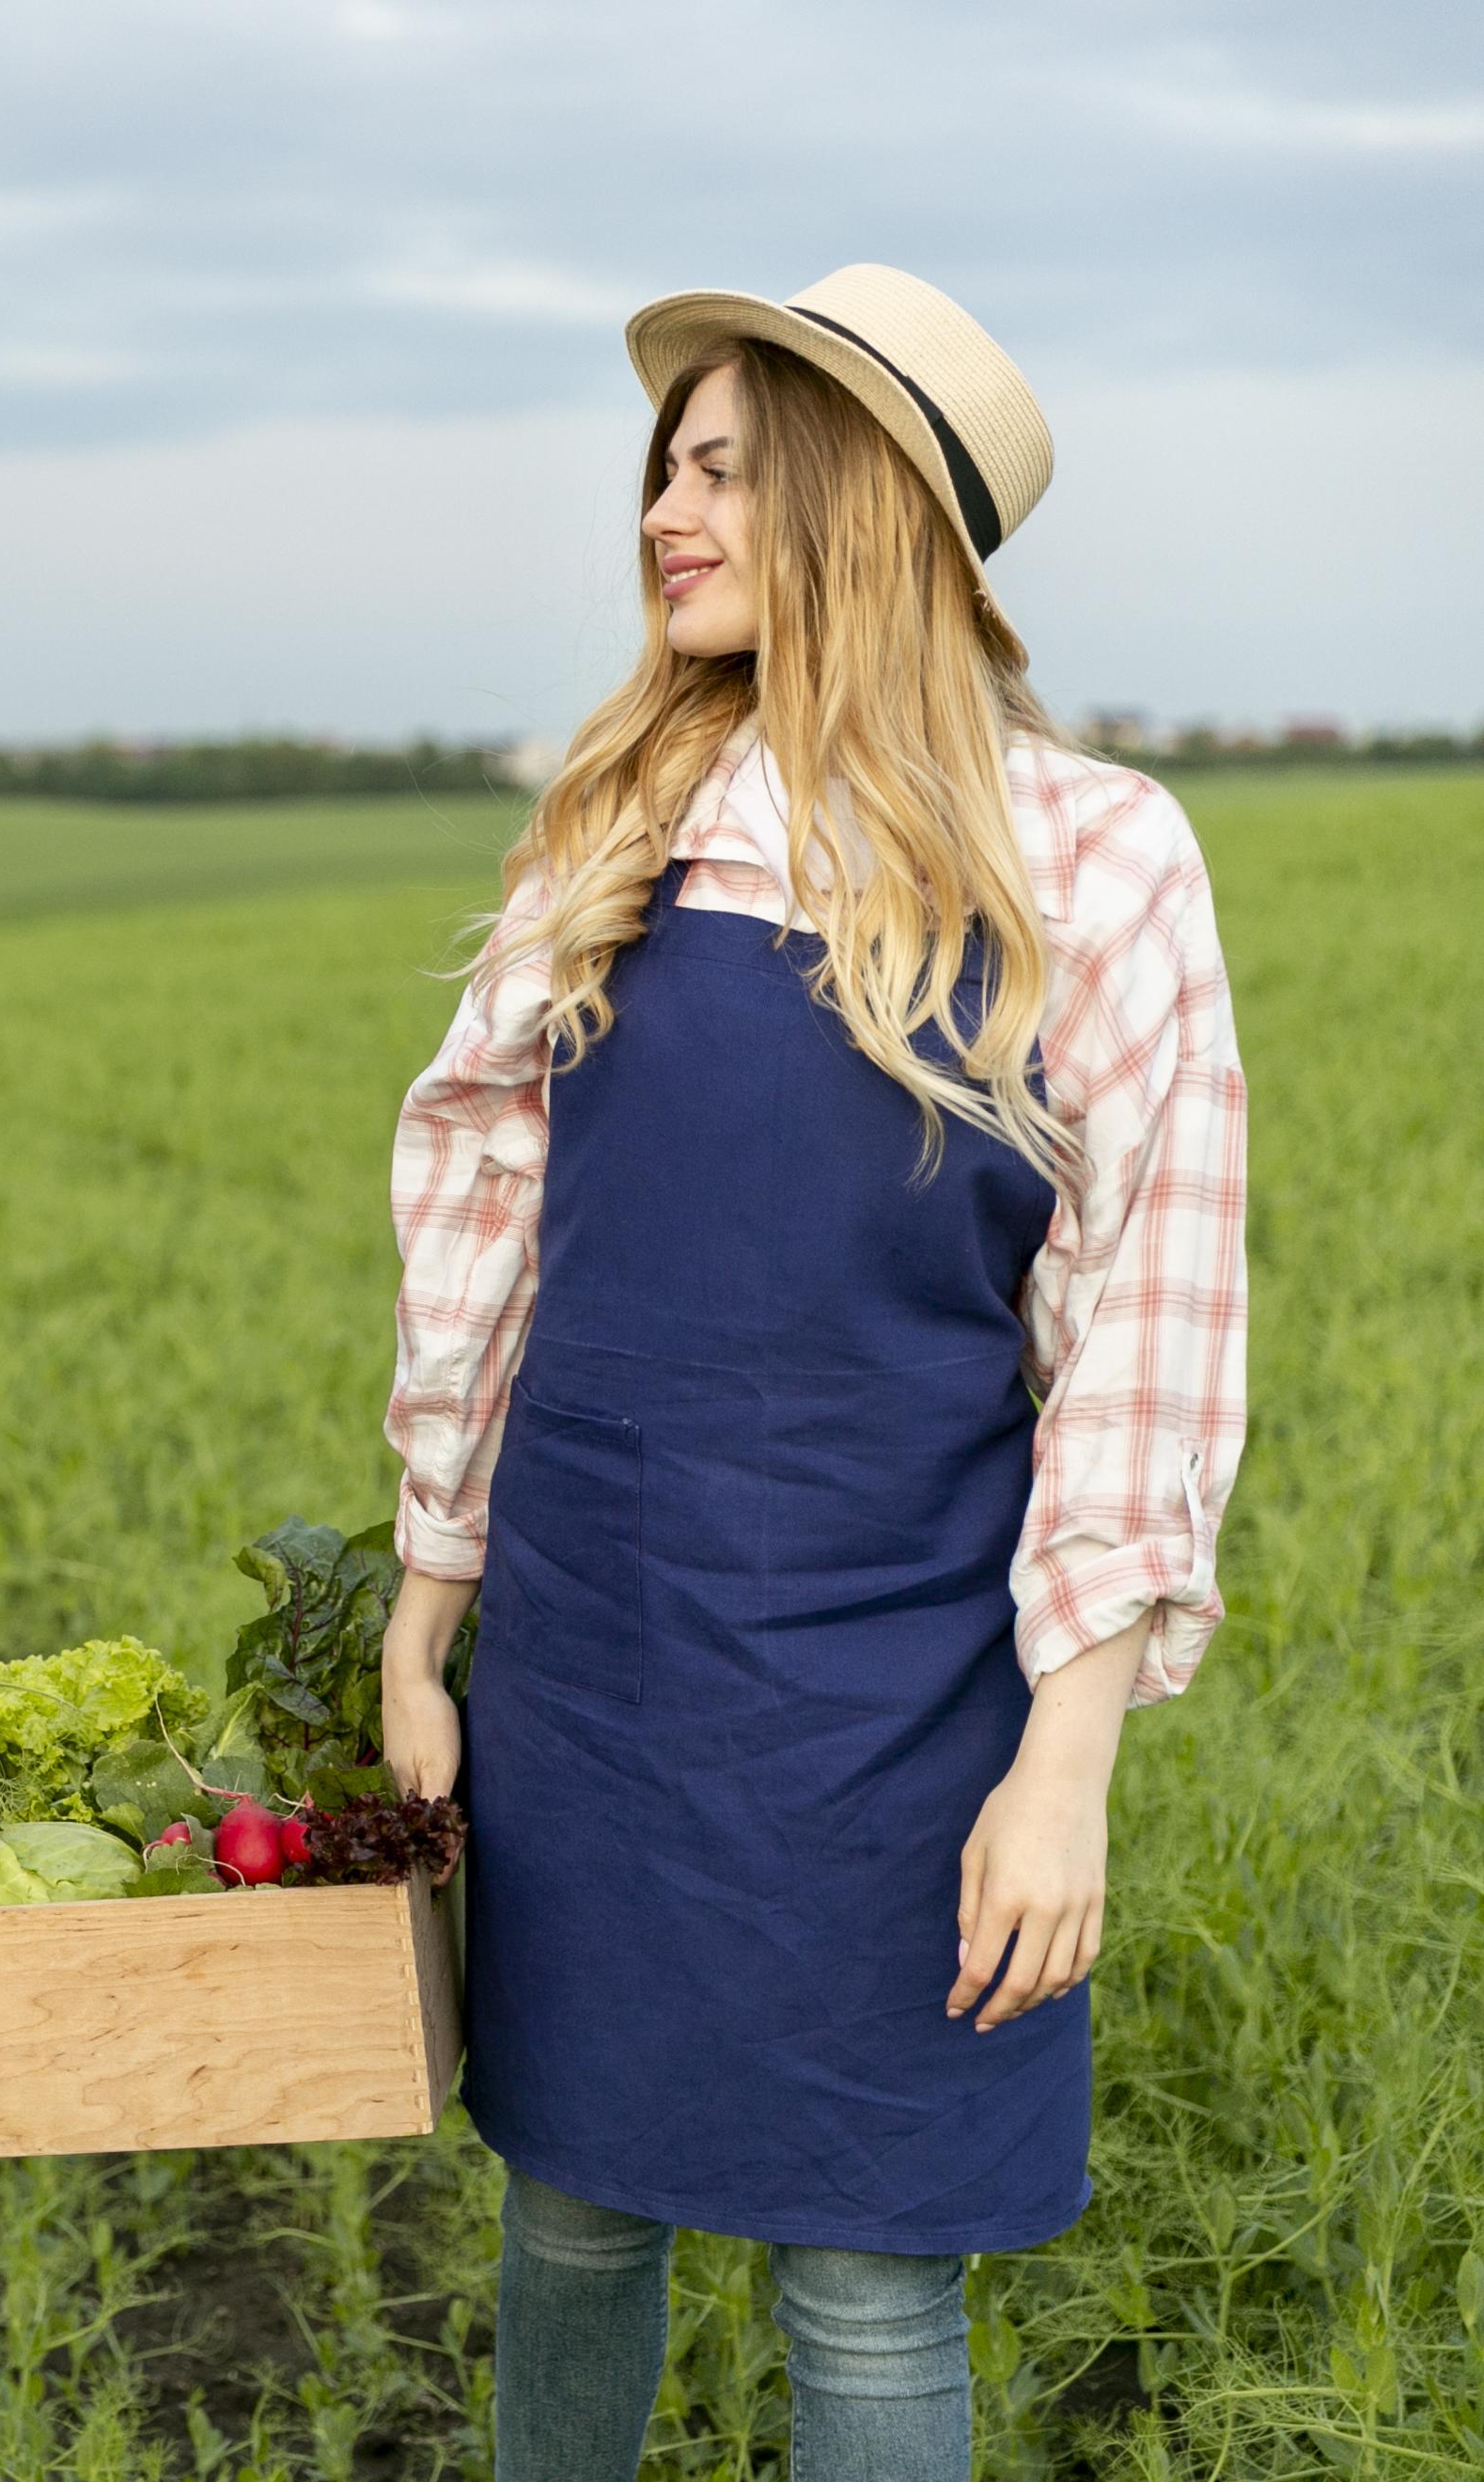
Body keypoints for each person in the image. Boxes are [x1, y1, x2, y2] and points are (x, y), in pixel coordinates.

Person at [375, 267, 1248, 2479]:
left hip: (905, 1688)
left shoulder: (1097, 861)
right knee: (569, 2208)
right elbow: (480, 1248)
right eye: (665, 466)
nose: (667, 510)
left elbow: (1147, 1332)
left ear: (859, 510)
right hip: (595, 1655)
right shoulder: (617, 833)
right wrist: (422, 1619)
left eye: (728, 466)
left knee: (871, 2272)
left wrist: (1068, 1773)